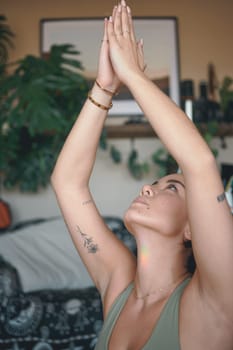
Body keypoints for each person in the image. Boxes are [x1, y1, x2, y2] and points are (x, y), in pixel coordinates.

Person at [51, 1, 233, 349]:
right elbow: (67, 183)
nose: (148, 189)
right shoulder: (118, 284)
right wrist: (105, 87)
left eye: (171, 188)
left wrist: (134, 75)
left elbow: (199, 164)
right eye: (153, 183)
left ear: (194, 227)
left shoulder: (215, 301)